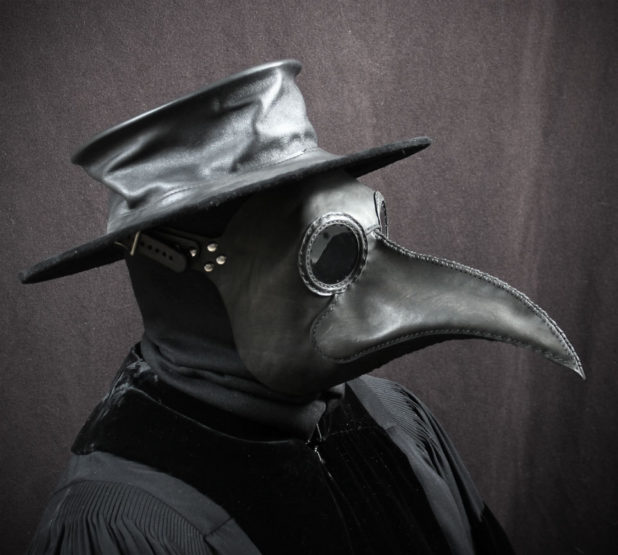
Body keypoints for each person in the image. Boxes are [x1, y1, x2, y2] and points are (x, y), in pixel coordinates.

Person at [22, 60, 582, 554]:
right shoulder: (124, 519)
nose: (371, 284)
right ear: (173, 263)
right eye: (326, 248)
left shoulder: (392, 418)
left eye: (366, 230)